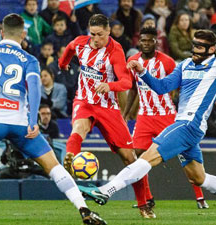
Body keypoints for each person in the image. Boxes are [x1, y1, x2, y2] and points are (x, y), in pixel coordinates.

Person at [78, 29, 216, 219]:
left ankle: (106, 191)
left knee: (147, 157)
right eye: (194, 44)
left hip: (189, 125)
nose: (194, 49)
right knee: (199, 178)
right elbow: (162, 87)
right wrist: (143, 72)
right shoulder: (185, 65)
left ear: (211, 49)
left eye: (200, 46)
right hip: (186, 127)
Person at [0, 13, 106, 225]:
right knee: (53, 166)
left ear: (1, 32)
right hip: (21, 124)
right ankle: (84, 210)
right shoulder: (29, 59)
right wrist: (32, 121)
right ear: (23, 34)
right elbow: (35, 89)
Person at [58, 14, 151, 218]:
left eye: (100, 34)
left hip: (108, 108)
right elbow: (69, 49)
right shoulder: (82, 43)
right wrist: (62, 63)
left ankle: (144, 204)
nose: (95, 39)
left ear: (108, 32)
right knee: (78, 129)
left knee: (130, 158)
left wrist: (109, 85)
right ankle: (71, 157)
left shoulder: (115, 51)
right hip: (84, 101)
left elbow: (126, 83)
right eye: (92, 34)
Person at [124, 26, 209, 209]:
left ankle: (200, 197)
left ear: (156, 42)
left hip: (167, 115)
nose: (146, 43)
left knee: (183, 153)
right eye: (143, 40)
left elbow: (181, 84)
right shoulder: (132, 61)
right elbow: (132, 89)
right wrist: (125, 114)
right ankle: (148, 198)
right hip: (145, 116)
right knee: (137, 154)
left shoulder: (168, 62)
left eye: (150, 40)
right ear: (139, 41)